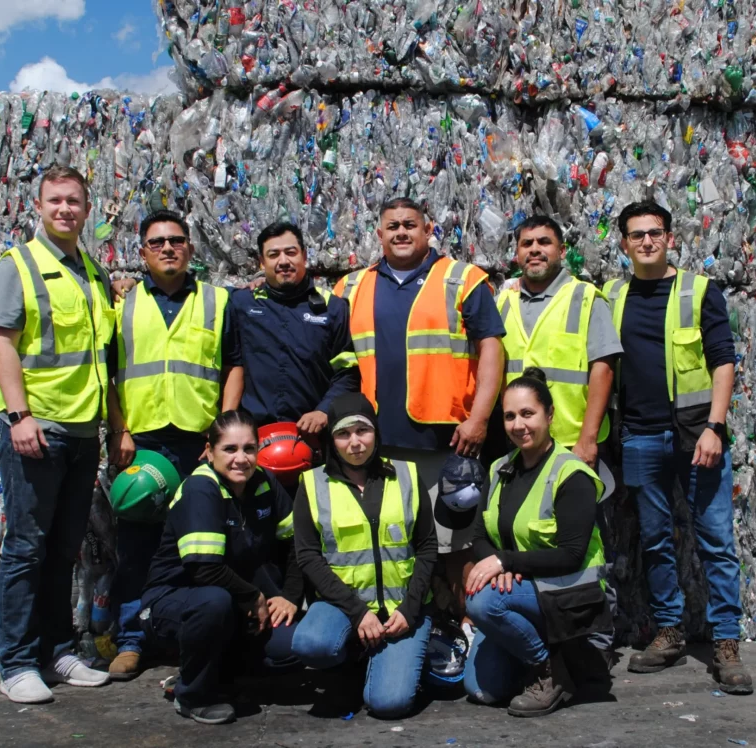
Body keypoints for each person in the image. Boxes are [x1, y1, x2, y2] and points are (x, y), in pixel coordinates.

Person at [603, 201, 752, 694]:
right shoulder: (611, 295)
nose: (647, 241)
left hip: (697, 435)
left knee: (715, 542)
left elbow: (723, 361)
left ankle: (726, 642)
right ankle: (669, 630)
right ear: (623, 243)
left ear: (670, 238)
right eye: (637, 234)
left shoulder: (699, 290)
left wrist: (716, 426)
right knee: (655, 539)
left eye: (655, 233)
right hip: (640, 435)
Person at [333, 197, 504, 624]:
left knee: (455, 544)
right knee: (395, 544)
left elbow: (491, 349)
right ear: (379, 234)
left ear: (429, 230)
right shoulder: (350, 287)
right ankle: (411, 630)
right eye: (392, 226)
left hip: (444, 441)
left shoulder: (462, 279)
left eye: (410, 224)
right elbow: (336, 361)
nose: (401, 233)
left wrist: (480, 417)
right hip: (375, 444)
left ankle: (468, 630)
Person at [0, 166, 115, 703]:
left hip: (84, 431)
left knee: (65, 549)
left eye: (74, 202)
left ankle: (59, 651)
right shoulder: (18, 264)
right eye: (55, 201)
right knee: (25, 549)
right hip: (37, 428)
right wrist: (20, 417)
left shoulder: (92, 270)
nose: (65, 209)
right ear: (37, 207)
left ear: (88, 210)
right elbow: (2, 341)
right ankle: (16, 662)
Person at [104, 209, 244, 681]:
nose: (168, 248)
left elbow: (234, 367)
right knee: (138, 543)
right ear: (143, 252)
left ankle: (200, 636)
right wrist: (119, 430)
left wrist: (221, 435)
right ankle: (131, 639)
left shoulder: (218, 301)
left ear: (190, 248)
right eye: (158, 242)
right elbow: (109, 374)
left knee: (206, 544)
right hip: (142, 441)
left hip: (199, 442)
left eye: (177, 240)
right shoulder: (120, 306)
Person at [495, 215, 623, 653]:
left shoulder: (585, 298)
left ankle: (596, 640)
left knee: (587, 547)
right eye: (527, 243)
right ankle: (546, 638)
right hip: (523, 447)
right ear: (515, 253)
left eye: (544, 242)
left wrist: (589, 437)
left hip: (571, 444)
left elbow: (603, 367)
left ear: (560, 249)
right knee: (528, 538)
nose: (535, 250)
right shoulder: (504, 302)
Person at [463, 368, 612, 717]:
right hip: (522, 586)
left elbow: (572, 556)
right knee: (482, 690)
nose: (518, 425)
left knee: (483, 604)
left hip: (571, 591)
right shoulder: (500, 468)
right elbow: (477, 535)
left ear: (549, 415)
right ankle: (556, 653)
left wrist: (505, 563)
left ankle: (549, 669)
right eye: (510, 416)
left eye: (528, 414)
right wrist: (498, 565)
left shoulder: (571, 474)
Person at [139, 410, 302, 725]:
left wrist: (289, 596)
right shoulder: (201, 488)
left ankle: (212, 672)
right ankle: (193, 695)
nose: (241, 459)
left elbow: (299, 543)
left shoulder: (265, 482)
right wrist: (254, 597)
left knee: (295, 650)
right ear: (210, 451)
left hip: (238, 601)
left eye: (249, 449)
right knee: (214, 602)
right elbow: (204, 569)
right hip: (176, 601)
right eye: (230, 449)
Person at [290, 393, 438, 719]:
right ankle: (356, 655)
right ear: (332, 440)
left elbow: (427, 547)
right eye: (343, 434)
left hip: (402, 611)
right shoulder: (313, 484)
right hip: (346, 608)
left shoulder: (407, 475)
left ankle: (398, 658)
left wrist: (410, 609)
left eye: (363, 430)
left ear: (376, 433)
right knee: (311, 643)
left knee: (389, 705)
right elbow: (308, 557)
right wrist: (358, 613)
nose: (355, 442)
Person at [229, 221, 360, 435]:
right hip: (254, 437)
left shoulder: (333, 308)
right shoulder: (242, 303)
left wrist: (324, 411)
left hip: (313, 435)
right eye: (273, 255)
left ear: (304, 256)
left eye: (291, 252)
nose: (283, 261)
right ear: (262, 262)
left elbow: (347, 372)